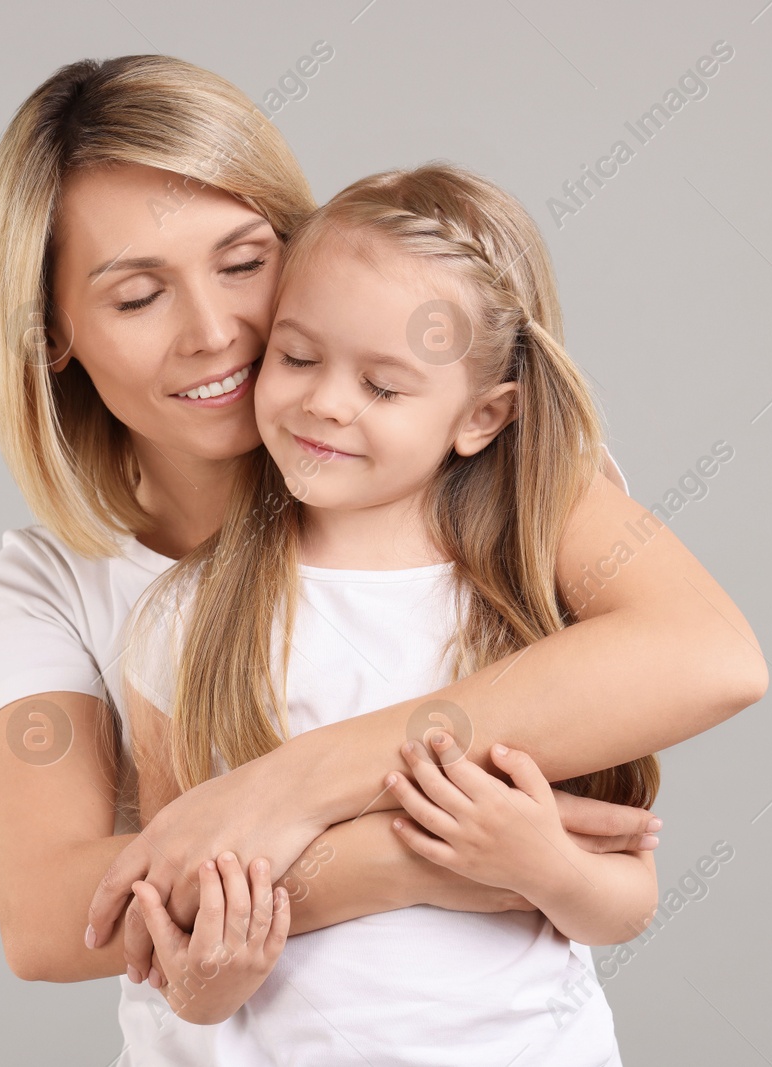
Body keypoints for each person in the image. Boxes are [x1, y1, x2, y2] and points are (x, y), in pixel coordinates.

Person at [0, 54, 766, 1060]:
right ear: (52, 334)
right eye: (137, 295)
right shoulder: (73, 585)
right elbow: (48, 917)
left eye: (244, 261)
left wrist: (288, 787)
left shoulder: (489, 479)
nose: (214, 331)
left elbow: (707, 655)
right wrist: (404, 856)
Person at [118, 162, 661, 1064]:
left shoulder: (524, 606)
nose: (325, 401)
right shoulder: (184, 619)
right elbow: (174, 904)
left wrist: (543, 864)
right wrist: (211, 979)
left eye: (383, 385)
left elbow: (625, 897)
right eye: (296, 358)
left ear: (483, 416)